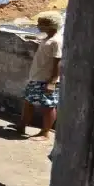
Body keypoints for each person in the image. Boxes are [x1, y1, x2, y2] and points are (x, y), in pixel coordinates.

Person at [18, 12, 63, 140]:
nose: (38, 26)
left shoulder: (56, 41)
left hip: (46, 80)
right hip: (36, 78)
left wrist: (52, 81)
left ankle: (45, 133)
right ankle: (22, 125)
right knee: (28, 102)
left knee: (48, 106)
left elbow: (58, 62)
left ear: (50, 25)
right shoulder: (47, 39)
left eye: (41, 24)